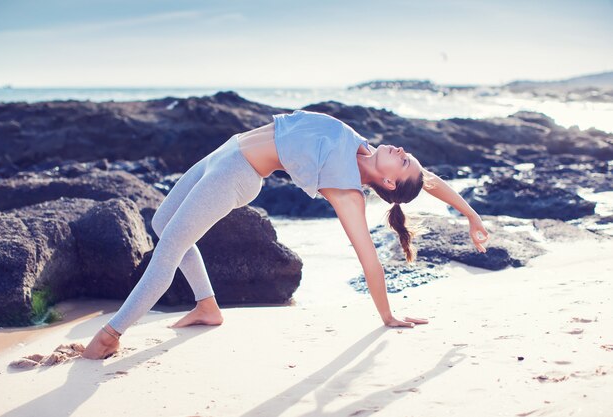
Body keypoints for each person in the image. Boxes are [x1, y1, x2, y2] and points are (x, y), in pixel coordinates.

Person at [82, 109, 490, 360]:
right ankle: (207, 307)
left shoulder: (346, 191)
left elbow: (369, 259)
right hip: (225, 151)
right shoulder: (362, 147)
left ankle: (111, 334)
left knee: (168, 246)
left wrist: (387, 314)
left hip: (236, 175)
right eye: (406, 155)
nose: (402, 151)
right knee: (161, 225)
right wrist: (471, 215)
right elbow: (430, 181)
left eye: (403, 162)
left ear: (387, 182)